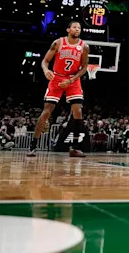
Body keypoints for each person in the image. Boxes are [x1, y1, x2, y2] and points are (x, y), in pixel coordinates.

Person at [27, 21, 89, 157]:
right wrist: (45, 70)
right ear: (68, 29)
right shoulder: (58, 43)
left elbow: (84, 67)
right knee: (46, 112)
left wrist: (72, 79)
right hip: (57, 78)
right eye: (74, 27)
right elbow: (45, 61)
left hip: (73, 80)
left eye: (79, 27)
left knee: (78, 111)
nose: (77, 29)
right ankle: (33, 145)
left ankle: (75, 147)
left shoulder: (84, 46)